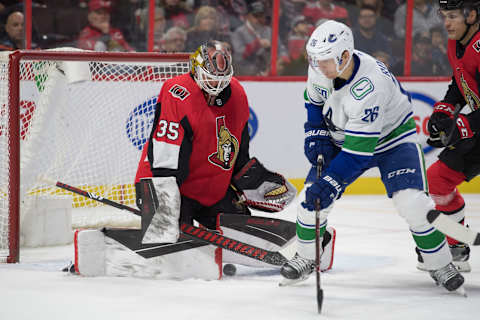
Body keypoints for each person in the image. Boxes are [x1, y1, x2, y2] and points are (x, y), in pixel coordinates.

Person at [280, 20, 465, 293]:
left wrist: (330, 183)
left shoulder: (370, 85)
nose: (317, 66)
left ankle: (439, 263)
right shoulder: (322, 65)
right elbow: (314, 101)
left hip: (392, 140)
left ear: (344, 56)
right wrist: (315, 131)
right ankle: (306, 257)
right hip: (345, 137)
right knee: (309, 203)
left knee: (412, 203)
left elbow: (357, 155)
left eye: (324, 60)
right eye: (314, 59)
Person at [134, 40, 297, 239]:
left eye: (222, 78)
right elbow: (165, 158)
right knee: (173, 238)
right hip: (165, 184)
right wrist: (165, 213)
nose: (217, 84)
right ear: (196, 70)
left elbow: (239, 152)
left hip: (211, 192)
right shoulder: (177, 92)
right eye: (210, 77)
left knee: (241, 231)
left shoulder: (237, 93)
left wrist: (252, 182)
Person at [424, 0, 480, 273]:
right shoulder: (456, 43)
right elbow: (460, 84)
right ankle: (456, 243)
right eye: (444, 16)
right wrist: (444, 113)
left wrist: (462, 125)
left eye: (453, 16)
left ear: (472, 15)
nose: (446, 23)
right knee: (438, 178)